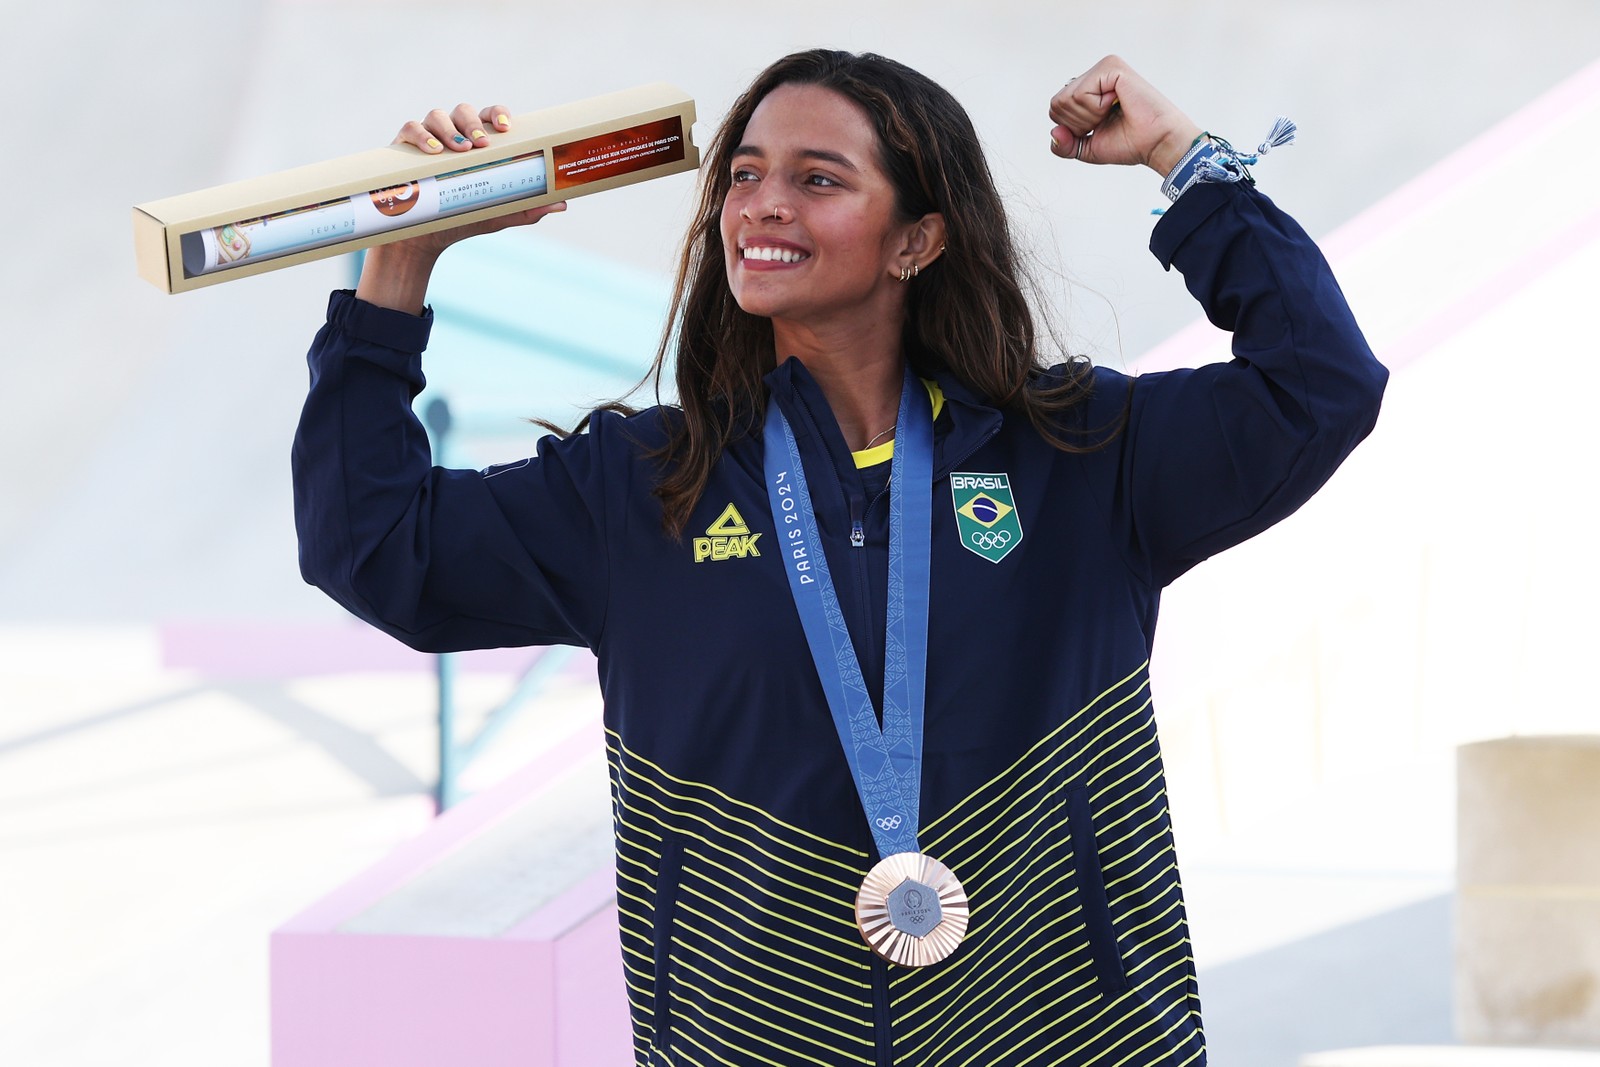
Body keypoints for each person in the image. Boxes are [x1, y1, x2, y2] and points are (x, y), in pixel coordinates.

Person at [293, 50, 1385, 1067]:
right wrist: (402, 263)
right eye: (746, 175)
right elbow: (379, 548)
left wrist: (1185, 162)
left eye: (818, 179)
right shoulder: (643, 485)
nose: (763, 204)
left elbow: (1320, 384)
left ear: (917, 239)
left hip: (1067, 1036)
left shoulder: (1078, 454)